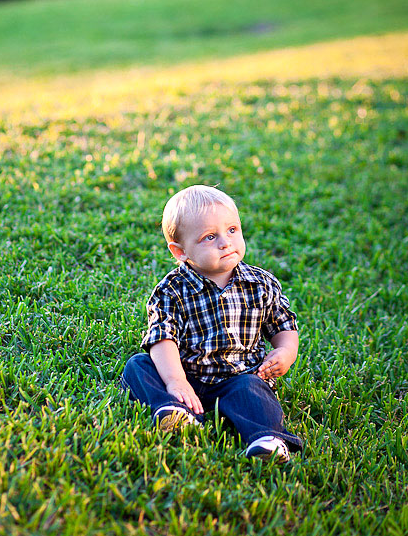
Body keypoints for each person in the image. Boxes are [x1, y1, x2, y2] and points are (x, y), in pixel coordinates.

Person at [120, 185, 302, 464]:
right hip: (187, 375)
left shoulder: (261, 284)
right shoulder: (172, 290)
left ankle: (267, 440)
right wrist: (176, 381)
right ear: (180, 251)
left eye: (232, 230)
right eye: (209, 237)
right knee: (138, 365)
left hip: (239, 379)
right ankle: (174, 411)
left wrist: (285, 352)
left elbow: (283, 326)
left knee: (254, 390)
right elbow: (162, 338)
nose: (225, 243)